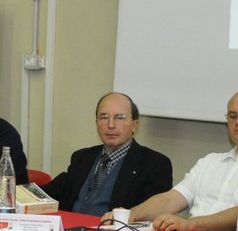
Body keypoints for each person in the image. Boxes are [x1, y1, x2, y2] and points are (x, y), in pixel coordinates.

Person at [105, 88, 238, 231]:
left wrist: (189, 224)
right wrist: (130, 214)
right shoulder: (210, 161)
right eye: (232, 116)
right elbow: (171, 199)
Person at [39, 92, 174, 216]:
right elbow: (51, 192)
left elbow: (151, 216)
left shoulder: (155, 165)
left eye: (119, 118)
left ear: (134, 125)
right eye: (104, 117)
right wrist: (21, 193)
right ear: (96, 123)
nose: (110, 125)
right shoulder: (82, 157)